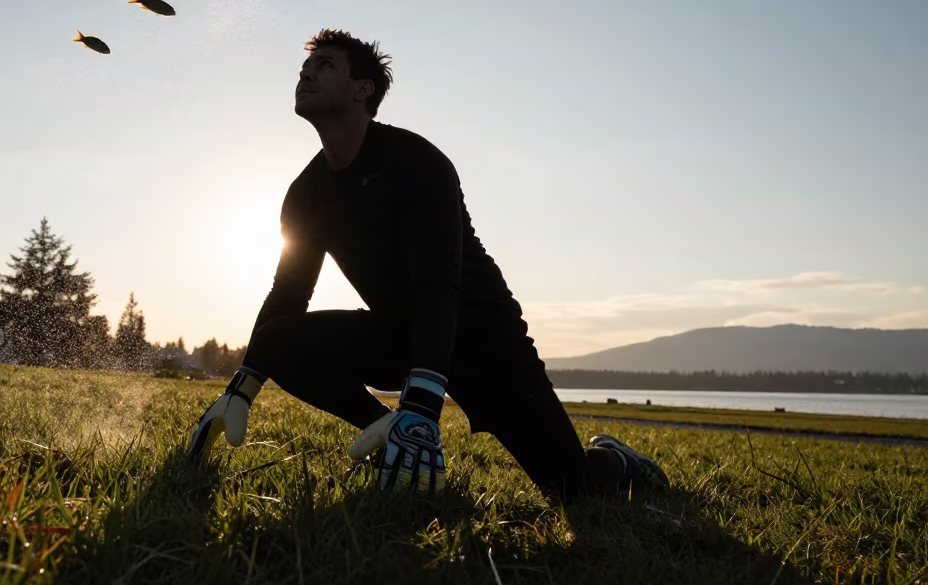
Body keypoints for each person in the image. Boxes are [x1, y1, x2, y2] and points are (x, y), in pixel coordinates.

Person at [186, 29, 668, 499]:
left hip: (484, 341)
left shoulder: (417, 161)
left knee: (573, 489)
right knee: (279, 340)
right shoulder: (305, 194)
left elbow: (441, 287)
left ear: (363, 89)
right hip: (403, 336)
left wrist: (422, 403)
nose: (305, 74)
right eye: (304, 67)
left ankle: (618, 458)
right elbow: (288, 293)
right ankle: (384, 430)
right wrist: (241, 387)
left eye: (324, 64)